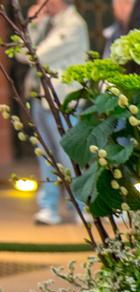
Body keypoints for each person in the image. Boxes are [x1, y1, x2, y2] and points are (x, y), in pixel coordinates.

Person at [22, 0, 89, 225]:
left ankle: (80, 207)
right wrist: (33, 25)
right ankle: (48, 207)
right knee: (46, 155)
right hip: (41, 99)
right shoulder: (48, 23)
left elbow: (37, 56)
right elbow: (22, 54)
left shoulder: (73, 24)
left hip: (63, 102)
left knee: (69, 157)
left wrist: (35, 25)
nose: (40, 3)